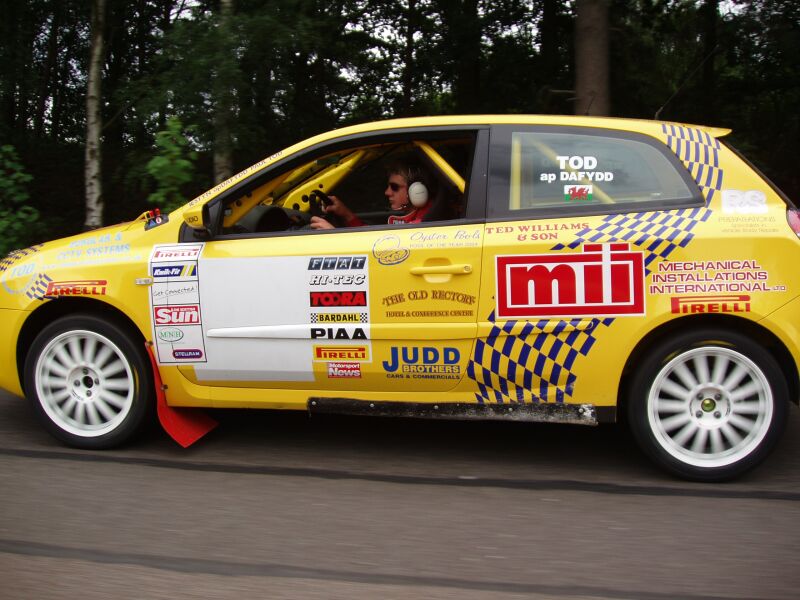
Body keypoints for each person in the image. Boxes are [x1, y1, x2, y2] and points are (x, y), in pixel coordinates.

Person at [310, 162, 435, 230]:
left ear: (416, 191)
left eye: (394, 187)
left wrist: (333, 236)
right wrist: (346, 214)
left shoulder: (420, 227)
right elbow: (374, 239)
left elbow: (381, 249)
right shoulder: (421, 219)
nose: (387, 192)